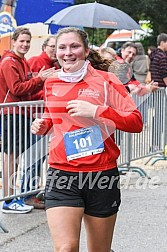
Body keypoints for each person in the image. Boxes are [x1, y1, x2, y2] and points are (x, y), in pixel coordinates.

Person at [31, 27, 143, 252]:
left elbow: (135, 121)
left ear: (86, 50)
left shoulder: (106, 80)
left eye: (74, 46)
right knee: (65, 248)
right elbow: (54, 118)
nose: (67, 52)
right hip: (62, 174)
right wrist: (43, 125)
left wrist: (97, 111)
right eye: (62, 47)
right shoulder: (51, 82)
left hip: (101, 175)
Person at [0, 27, 55, 213]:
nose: (25, 44)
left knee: (15, 158)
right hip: (12, 113)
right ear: (14, 41)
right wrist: (39, 79)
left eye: (28, 41)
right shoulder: (9, 62)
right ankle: (8, 200)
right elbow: (16, 89)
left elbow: (25, 87)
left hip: (20, 113)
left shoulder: (21, 61)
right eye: (22, 41)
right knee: (11, 157)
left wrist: (38, 80)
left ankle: (12, 197)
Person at [21, 35, 59, 209]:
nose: (54, 50)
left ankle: (34, 191)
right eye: (52, 46)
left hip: (47, 117)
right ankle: (28, 193)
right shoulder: (36, 61)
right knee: (34, 156)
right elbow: (28, 90)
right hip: (35, 116)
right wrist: (48, 96)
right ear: (45, 46)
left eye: (57, 47)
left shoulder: (57, 66)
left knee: (41, 157)